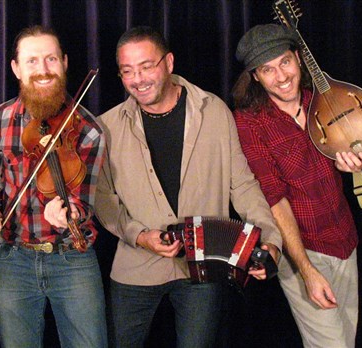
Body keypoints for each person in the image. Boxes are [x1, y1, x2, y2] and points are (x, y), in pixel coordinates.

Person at [94, 26, 282, 348]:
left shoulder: (214, 111)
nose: (138, 79)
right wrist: (139, 235)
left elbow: (243, 185)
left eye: (146, 66)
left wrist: (270, 241)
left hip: (203, 268)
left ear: (168, 62)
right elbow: (102, 200)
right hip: (135, 267)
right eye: (128, 71)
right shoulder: (105, 127)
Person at [232, 24, 362, 348]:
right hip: (303, 251)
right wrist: (306, 271)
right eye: (267, 69)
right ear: (255, 77)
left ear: (298, 59)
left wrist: (356, 163)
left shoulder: (323, 99)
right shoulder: (249, 123)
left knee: (347, 340)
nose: (281, 76)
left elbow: (351, 147)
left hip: (345, 240)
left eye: (285, 62)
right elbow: (274, 200)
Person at [0, 25, 107, 347]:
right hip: (12, 259)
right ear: (16, 68)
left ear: (64, 63)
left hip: (72, 259)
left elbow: (83, 204)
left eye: (51, 60)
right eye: (32, 61)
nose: (43, 70)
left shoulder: (88, 129)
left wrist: (69, 213)